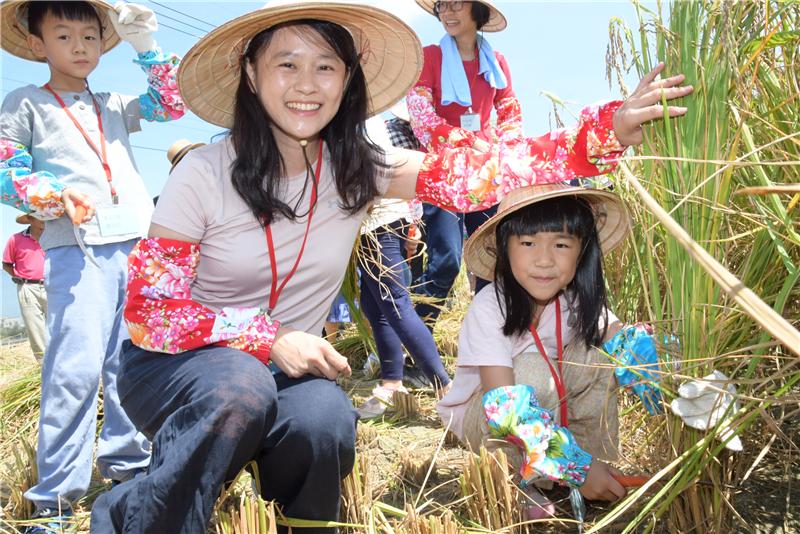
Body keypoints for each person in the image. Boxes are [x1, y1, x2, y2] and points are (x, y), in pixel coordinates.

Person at [87, 0, 691, 531]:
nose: (307, 83)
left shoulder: (359, 167)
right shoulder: (204, 172)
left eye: (326, 66)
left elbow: (479, 171)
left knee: (326, 420)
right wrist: (267, 338)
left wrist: (604, 129)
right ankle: (138, 518)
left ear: (348, 80)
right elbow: (151, 311)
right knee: (238, 386)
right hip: (178, 363)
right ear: (251, 73)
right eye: (286, 63)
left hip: (281, 370)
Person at [0, 1, 184, 530]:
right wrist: (56, 193)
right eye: (64, 36)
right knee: (73, 372)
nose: (80, 47)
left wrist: (146, 43)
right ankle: (55, 498)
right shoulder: (25, 103)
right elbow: (8, 172)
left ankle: (128, 466)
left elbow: (169, 104)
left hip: (139, 245)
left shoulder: (114, 102)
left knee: (131, 362)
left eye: (90, 36)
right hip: (76, 249)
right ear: (38, 46)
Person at [437, 183, 663, 518]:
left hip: (548, 420)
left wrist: (660, 375)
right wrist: (575, 468)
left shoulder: (576, 302)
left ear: (581, 251)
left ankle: (587, 461)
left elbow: (623, 343)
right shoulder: (490, 307)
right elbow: (505, 408)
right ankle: (522, 482)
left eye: (561, 244)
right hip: (488, 420)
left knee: (599, 355)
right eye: (528, 243)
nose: (544, 259)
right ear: (504, 250)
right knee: (531, 371)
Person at [407, 0, 519, 326]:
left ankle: (487, 342)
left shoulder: (496, 63)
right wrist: (469, 140)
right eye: (442, 5)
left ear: (477, 10)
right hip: (442, 172)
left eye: (456, 4)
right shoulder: (430, 57)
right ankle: (416, 343)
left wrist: (508, 151)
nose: (447, 12)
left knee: (491, 261)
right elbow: (422, 118)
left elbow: (511, 113)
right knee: (446, 260)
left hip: (486, 174)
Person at [356, 116, 450, 418]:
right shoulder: (365, 121)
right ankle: (393, 381)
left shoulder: (361, 123)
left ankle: (445, 387)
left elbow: (382, 171)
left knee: (395, 304)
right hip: (375, 223)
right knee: (374, 306)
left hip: (377, 221)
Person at [2, 213, 47, 361]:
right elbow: (6, 264)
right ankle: (43, 364)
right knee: (34, 328)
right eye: (39, 217)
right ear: (31, 219)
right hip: (27, 288)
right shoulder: (15, 239)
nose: (43, 220)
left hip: (52, 284)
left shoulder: (53, 237)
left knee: (60, 324)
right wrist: (19, 276)